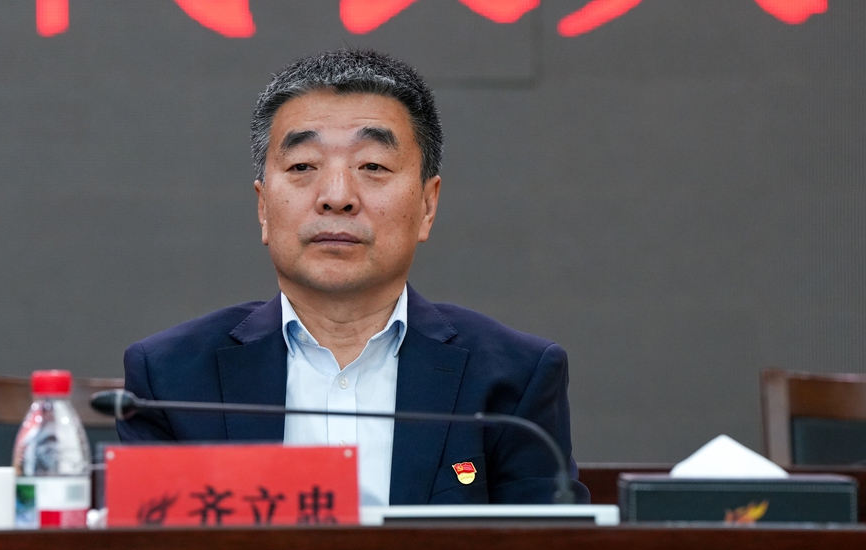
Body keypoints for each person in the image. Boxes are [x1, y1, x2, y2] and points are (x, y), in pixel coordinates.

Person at [118, 48, 590, 506]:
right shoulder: (170, 379)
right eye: (303, 166)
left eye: (373, 166)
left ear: (427, 205)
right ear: (263, 207)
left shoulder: (513, 378)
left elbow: (549, 548)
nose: (337, 196)